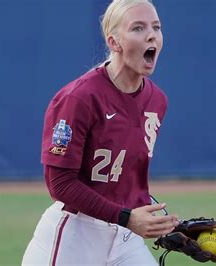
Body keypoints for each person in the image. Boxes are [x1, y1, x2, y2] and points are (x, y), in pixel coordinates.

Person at [22, 0, 179, 265]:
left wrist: (166, 226)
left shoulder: (157, 101)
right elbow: (60, 184)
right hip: (75, 235)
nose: (152, 35)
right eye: (138, 28)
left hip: (124, 237)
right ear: (114, 42)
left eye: (156, 27)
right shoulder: (79, 98)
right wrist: (127, 217)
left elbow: (125, 181)